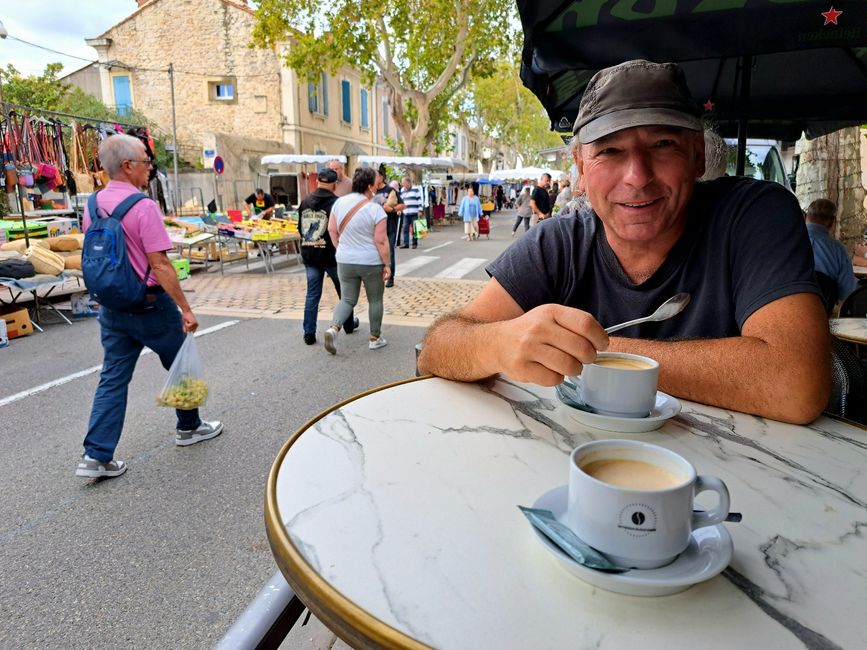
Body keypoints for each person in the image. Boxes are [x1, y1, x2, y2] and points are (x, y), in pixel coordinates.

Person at [418, 59, 829, 425]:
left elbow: (795, 383)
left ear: (698, 155)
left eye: (662, 145)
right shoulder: (561, 241)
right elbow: (437, 349)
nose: (637, 176)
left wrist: (589, 351)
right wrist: (500, 341)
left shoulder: (754, 216)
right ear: (580, 168)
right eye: (610, 151)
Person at [77, 134, 222, 479]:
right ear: (128, 166)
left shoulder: (92, 204)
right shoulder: (143, 207)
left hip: (112, 307)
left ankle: (96, 456)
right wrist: (185, 308)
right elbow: (160, 265)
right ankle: (189, 427)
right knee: (182, 363)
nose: (149, 167)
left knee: (112, 377)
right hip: (151, 305)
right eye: (145, 161)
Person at [324, 167, 391, 354]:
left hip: (345, 260)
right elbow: (381, 240)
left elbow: (331, 229)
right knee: (375, 299)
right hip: (370, 261)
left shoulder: (339, 203)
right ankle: (374, 338)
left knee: (347, 299)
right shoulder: (375, 209)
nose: (377, 187)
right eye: (375, 183)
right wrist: (387, 264)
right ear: (370, 186)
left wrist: (340, 248)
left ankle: (333, 329)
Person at [296, 168, 358, 345]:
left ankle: (309, 332)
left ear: (317, 182)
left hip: (310, 254)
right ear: (334, 184)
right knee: (344, 293)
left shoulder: (305, 201)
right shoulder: (337, 203)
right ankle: (347, 324)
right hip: (332, 256)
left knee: (312, 294)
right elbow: (342, 230)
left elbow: (300, 228)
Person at [804, 198, 856, 303]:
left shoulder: (787, 243)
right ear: (832, 222)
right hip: (824, 312)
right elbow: (847, 292)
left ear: (805, 216)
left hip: (787, 310)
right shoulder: (839, 250)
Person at [372, 171, 404, 288]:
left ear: (381, 177)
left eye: (375, 176)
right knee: (374, 253)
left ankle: (391, 277)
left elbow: (402, 205)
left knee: (389, 252)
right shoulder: (370, 190)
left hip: (388, 226)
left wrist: (391, 209)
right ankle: (374, 277)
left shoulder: (390, 190)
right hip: (373, 227)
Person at [400, 176, 423, 249]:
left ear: (408, 182)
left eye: (404, 183)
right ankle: (405, 243)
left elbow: (419, 200)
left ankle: (414, 243)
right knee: (405, 228)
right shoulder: (402, 190)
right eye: (402, 183)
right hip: (406, 212)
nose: (403, 184)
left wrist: (420, 210)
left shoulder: (415, 189)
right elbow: (401, 201)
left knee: (414, 228)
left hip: (414, 212)